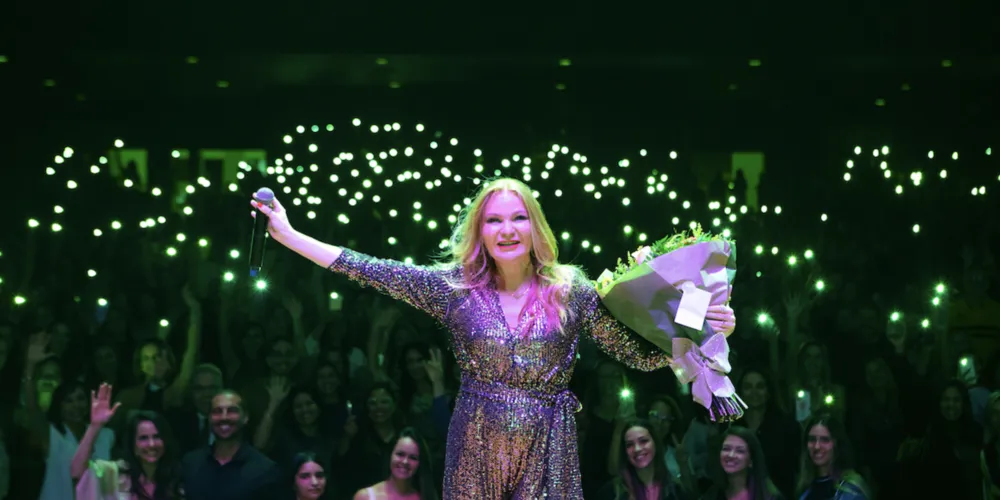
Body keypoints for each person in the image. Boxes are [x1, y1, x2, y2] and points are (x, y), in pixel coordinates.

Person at [250, 177, 737, 499]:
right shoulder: (454, 289)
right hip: (476, 442)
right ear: (479, 231)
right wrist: (289, 235)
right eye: (494, 219)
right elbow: (370, 269)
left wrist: (701, 330)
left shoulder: (573, 290)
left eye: (518, 217)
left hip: (549, 445)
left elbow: (636, 354)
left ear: (535, 226)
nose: (507, 229)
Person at [180, 390, 281, 500]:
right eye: (217, 411)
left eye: (232, 411)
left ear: (245, 417)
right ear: (209, 418)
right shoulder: (191, 463)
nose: (224, 417)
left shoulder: (265, 470)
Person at [597, 419, 686, 500]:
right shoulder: (613, 491)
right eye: (630, 444)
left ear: (655, 444)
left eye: (643, 441)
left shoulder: (674, 490)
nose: (637, 449)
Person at [354, 427, 439, 500]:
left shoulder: (425, 497)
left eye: (413, 458)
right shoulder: (365, 497)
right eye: (400, 454)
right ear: (391, 455)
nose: (405, 461)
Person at [701, 426, 783, 500]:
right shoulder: (712, 495)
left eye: (739, 451)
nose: (731, 455)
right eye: (726, 449)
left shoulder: (769, 497)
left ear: (751, 460)